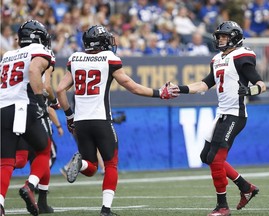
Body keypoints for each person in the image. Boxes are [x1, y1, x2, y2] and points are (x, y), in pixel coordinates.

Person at [56, 25, 179, 216]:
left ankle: (80, 164)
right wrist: (158, 93)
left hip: (80, 122)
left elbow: (59, 90)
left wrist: (69, 117)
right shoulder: (109, 59)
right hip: (101, 119)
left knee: (91, 167)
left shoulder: (74, 58)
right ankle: (105, 210)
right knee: (111, 163)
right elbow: (133, 87)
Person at [174, 21, 266, 216]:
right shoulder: (217, 59)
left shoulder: (242, 56)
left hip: (236, 114)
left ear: (234, 37)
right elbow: (203, 85)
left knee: (216, 160)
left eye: (224, 36)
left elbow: (261, 84)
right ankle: (246, 187)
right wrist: (179, 89)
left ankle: (222, 206)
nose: (220, 39)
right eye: (219, 36)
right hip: (222, 114)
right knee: (205, 157)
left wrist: (249, 90)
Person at [0, 20, 54, 216]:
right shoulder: (40, 50)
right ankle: (30, 186)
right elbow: (33, 70)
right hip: (24, 105)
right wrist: (40, 101)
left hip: (2, 107)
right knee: (44, 149)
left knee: (5, 161)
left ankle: (0, 203)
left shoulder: (7, 54)